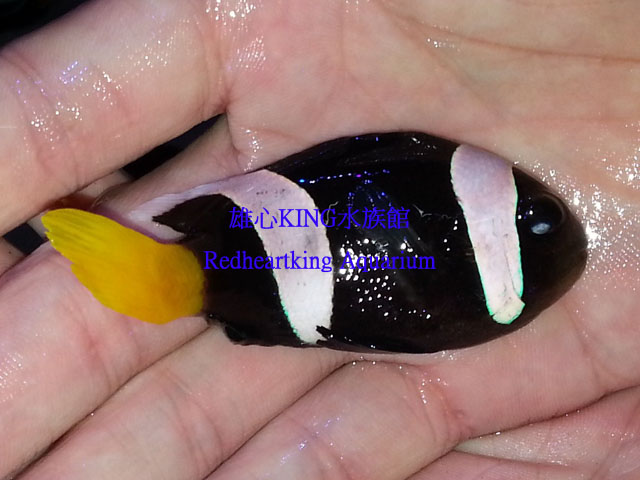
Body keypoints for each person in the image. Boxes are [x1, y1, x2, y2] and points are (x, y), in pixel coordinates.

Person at [0, 1, 638, 478]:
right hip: (258, 270)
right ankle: (185, 279)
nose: (554, 230)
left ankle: (185, 279)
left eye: (542, 221)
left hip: (252, 258)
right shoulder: (483, 281)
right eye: (540, 220)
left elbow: (364, 170)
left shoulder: (455, 206)